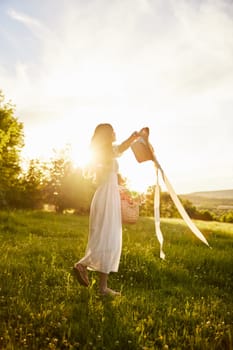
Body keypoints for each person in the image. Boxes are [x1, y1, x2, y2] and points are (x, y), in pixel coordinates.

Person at [73, 123, 140, 296]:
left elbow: (110, 176)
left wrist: (121, 191)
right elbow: (121, 149)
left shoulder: (104, 154)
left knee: (109, 240)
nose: (115, 133)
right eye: (112, 131)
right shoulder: (106, 153)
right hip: (106, 199)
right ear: (107, 135)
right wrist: (132, 139)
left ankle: (103, 288)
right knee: (106, 239)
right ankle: (82, 265)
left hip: (108, 196)